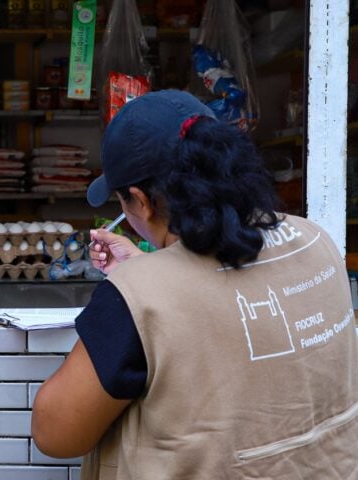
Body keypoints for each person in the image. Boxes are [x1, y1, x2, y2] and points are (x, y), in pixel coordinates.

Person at [31, 90, 357, 479]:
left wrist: (140, 284)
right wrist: (153, 267)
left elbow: (56, 433)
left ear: (140, 200)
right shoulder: (315, 240)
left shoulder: (139, 297)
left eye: (122, 201)